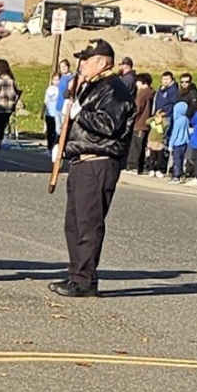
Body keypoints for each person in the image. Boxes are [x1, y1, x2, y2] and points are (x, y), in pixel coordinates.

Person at [50, 38, 133, 298]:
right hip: (82, 160)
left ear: (101, 62)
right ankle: (76, 274)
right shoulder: (92, 86)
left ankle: (85, 280)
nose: (81, 64)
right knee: (73, 224)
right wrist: (64, 146)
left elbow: (109, 124)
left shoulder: (114, 88)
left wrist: (80, 113)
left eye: (86, 60)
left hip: (98, 162)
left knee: (88, 224)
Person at [129, 73, 155, 175]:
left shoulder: (143, 93)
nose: (136, 83)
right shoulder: (151, 93)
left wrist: (131, 117)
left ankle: (133, 167)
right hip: (146, 124)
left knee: (136, 146)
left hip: (139, 123)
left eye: (138, 81)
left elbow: (137, 108)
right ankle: (139, 167)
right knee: (141, 146)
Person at [168, 101, 190, 183]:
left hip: (177, 143)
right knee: (181, 159)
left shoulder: (177, 121)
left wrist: (170, 144)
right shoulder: (186, 119)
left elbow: (174, 134)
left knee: (176, 160)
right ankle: (180, 174)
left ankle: (176, 176)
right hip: (184, 143)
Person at [43, 73, 61, 153]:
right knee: (49, 131)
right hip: (49, 112)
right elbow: (46, 101)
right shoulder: (49, 89)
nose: (56, 82)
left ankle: (54, 148)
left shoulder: (60, 89)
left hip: (57, 113)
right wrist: (43, 111)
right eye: (54, 80)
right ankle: (49, 147)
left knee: (56, 131)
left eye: (58, 80)